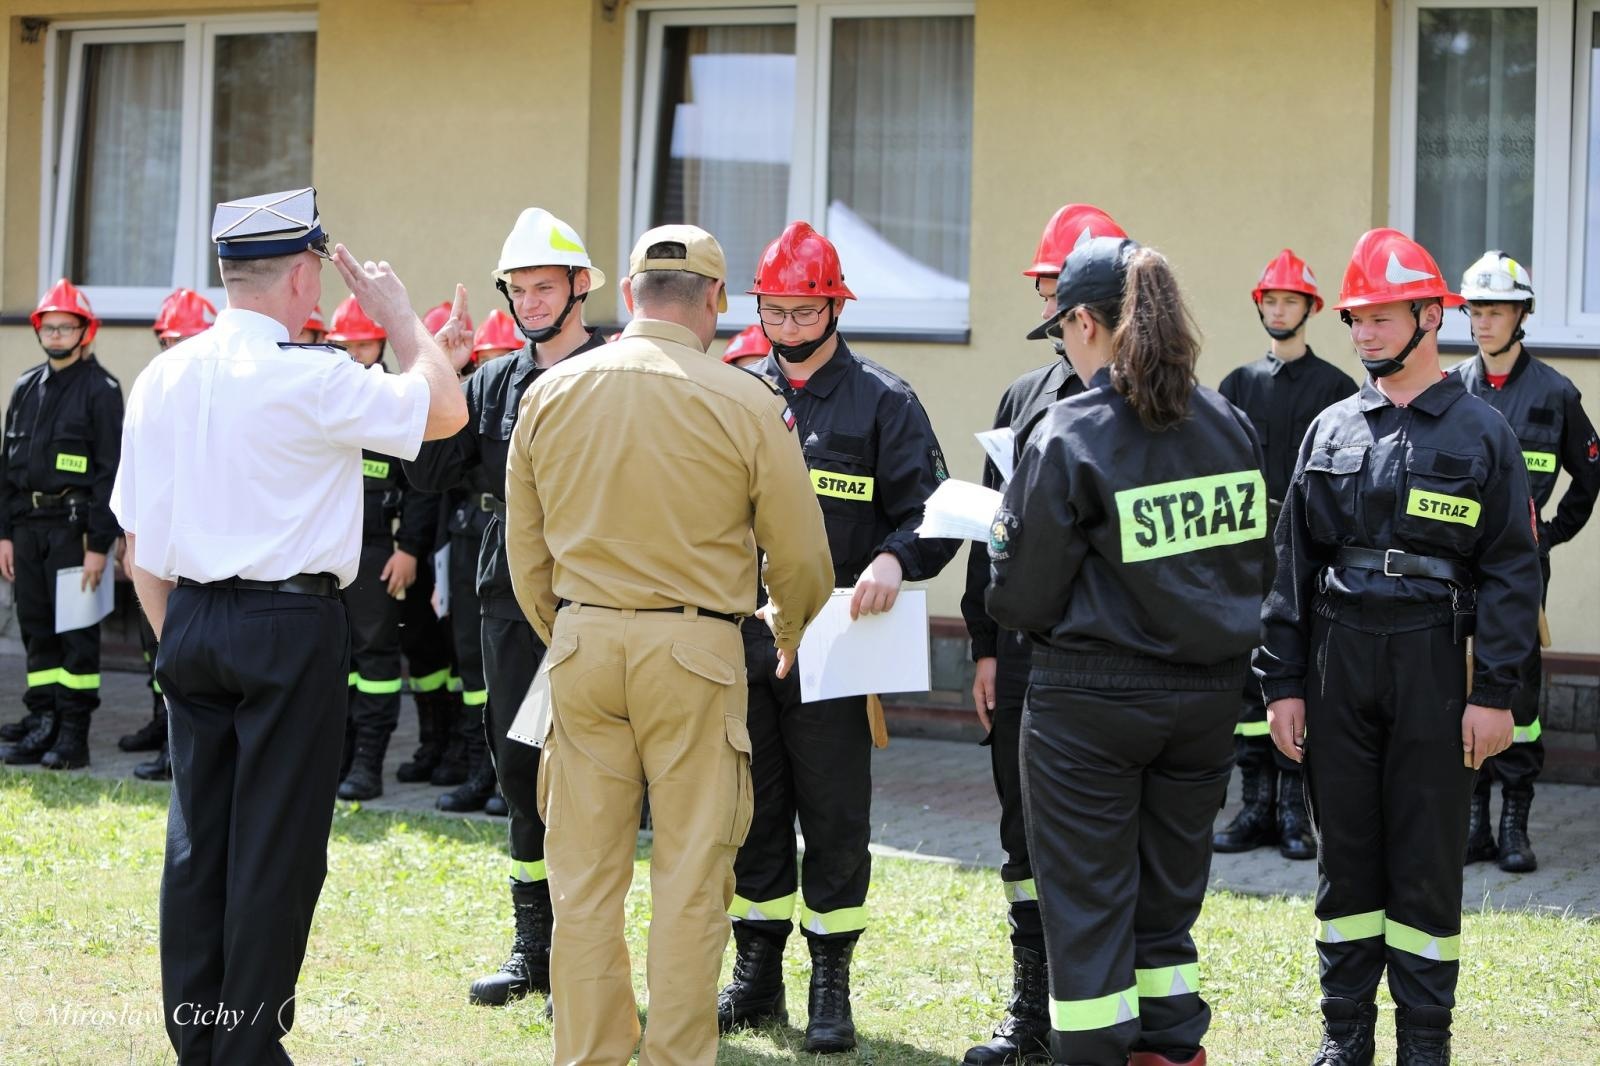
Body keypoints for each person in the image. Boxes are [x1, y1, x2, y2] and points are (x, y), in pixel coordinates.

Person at [110, 186, 468, 1064]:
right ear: (305, 277)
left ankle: (200, 1040)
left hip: (189, 616)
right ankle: (246, 1051)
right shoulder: (314, 375)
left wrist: (177, 636)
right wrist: (405, 324)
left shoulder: (163, 374)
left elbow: (138, 541)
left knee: (199, 843)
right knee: (278, 850)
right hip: (288, 623)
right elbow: (446, 413)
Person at [504, 222, 833, 1066]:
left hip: (581, 643)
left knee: (583, 880)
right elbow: (802, 556)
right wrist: (788, 628)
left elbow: (525, 554)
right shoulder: (747, 400)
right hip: (696, 651)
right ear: (717, 299)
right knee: (690, 881)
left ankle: (589, 1055)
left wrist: (569, 630)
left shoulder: (551, 391)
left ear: (626, 293)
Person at [1257, 228, 1541, 1065]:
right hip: (1338, 661)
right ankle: (1345, 1035)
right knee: (1345, 857)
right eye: (1356, 318)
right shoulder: (1331, 429)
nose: (1365, 332)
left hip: (1434, 663)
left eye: (1381, 317)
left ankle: (1424, 1042)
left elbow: (1512, 574)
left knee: (1425, 858)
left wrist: (1495, 694)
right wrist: (1282, 683)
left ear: (1429, 317)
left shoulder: (1483, 434)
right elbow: (1291, 564)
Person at [987, 237, 1269, 1066]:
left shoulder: (1070, 429)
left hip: (1091, 704)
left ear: (1084, 322)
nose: (1064, 353)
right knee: (1168, 902)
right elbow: (1257, 564)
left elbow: (1023, 594)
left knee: (1088, 908)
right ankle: (1173, 1048)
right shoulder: (1229, 423)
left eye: (1062, 333)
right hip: (1208, 700)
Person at [717, 220, 959, 1054]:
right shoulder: (735, 392)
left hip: (836, 643)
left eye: (803, 311)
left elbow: (934, 513)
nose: (787, 328)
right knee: (752, 813)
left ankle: (830, 984)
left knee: (834, 816)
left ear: (834, 309)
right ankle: (756, 978)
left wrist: (896, 557)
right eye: (773, 312)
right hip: (746, 640)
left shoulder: (884, 401)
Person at [404, 207, 608, 1005]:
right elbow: (429, 475)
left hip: (593, 592)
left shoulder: (615, 373)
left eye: (543, 287)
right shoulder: (489, 382)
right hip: (504, 592)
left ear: (580, 287)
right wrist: (441, 374)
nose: (529, 302)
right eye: (517, 290)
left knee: (590, 776)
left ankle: (586, 956)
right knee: (519, 769)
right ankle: (534, 951)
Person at [959, 201, 1129, 1066]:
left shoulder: (1155, 401)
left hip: (1114, 656)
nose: (1052, 310)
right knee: (1022, 835)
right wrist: (984, 647)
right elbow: (990, 531)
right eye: (1044, 291)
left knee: (1110, 843)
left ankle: (1111, 1015)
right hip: (1025, 654)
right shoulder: (1024, 398)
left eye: (1060, 293)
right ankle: (1031, 1009)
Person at [1451, 251, 1600, 874]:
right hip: (1458, 573)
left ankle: (1515, 823)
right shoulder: (1451, 388)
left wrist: (1551, 537)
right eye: (1476, 310)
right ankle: (1474, 823)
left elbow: (1589, 474)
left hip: (1520, 575)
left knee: (1518, 693)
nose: (1484, 322)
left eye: (1497, 311)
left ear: (1522, 315)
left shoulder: (1556, 393)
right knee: (1461, 688)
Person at [1213, 250, 1357, 862]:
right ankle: (1255, 807)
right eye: (1269, 300)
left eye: (1289, 301)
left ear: (1311, 308)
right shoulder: (1236, 387)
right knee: (1252, 686)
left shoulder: (1339, 389)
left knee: (1299, 676)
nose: (1278, 310)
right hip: (1247, 555)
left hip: (1311, 557)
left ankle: (1297, 811)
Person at [324, 295, 446, 801]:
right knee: (337, 662)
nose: (354, 354)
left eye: (363, 345)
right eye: (345, 346)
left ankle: (367, 765)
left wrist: (409, 550)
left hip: (379, 554)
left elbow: (421, 489)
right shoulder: (327, 400)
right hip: (331, 554)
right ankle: (339, 758)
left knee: (376, 661)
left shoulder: (396, 401)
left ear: (380, 345)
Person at [0, 278, 124, 771]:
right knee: (36, 630)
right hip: (27, 530)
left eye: (65, 327)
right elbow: (6, 468)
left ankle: (73, 734)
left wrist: (99, 545)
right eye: (48, 327)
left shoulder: (102, 391)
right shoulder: (25, 387)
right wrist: (4, 534)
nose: (55, 335)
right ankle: (42, 719)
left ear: (85, 332)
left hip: (75, 533)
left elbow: (110, 474)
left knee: (75, 633)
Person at [116, 288, 220, 782]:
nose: (175, 349)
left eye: (185, 339)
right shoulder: (154, 390)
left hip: (201, 559)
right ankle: (165, 733)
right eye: (169, 340)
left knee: (191, 659)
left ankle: (180, 746)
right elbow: (134, 478)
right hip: (157, 550)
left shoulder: (224, 399)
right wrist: (128, 542)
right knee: (158, 648)